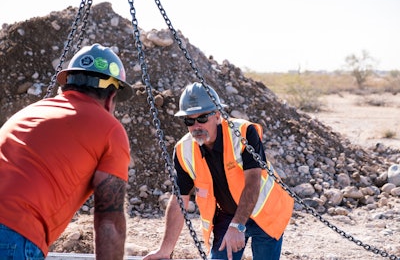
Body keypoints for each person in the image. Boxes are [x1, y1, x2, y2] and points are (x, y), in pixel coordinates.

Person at [0, 43, 133, 260]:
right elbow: (109, 223)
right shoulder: (110, 129)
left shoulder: (29, 112)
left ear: (66, 86)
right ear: (110, 98)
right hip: (13, 234)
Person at [143, 82, 294, 260]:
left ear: (217, 115)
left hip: (265, 212)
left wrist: (237, 226)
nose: (196, 126)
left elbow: (253, 181)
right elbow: (178, 199)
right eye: (189, 121)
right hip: (227, 215)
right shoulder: (184, 150)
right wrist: (165, 250)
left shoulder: (244, 133)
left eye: (202, 118)